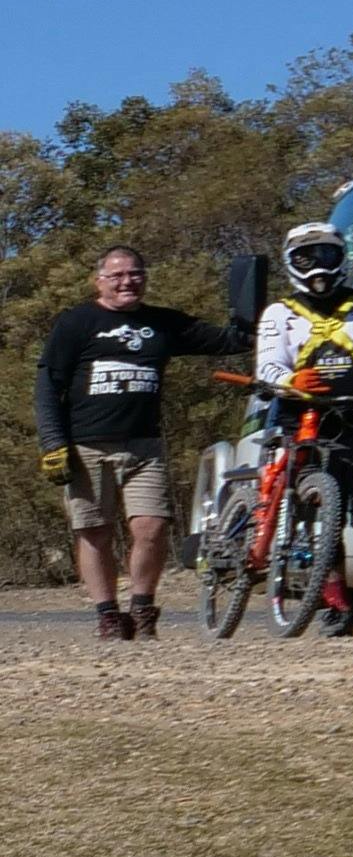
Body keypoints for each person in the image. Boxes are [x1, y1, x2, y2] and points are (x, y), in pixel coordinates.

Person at [34, 244, 253, 641]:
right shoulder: (76, 323)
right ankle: (108, 616)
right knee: (94, 531)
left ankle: (142, 608)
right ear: (98, 280)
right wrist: (53, 443)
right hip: (85, 446)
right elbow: (48, 385)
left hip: (144, 446)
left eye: (134, 274)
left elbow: (230, 340)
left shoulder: (162, 324)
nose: (126, 282)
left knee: (151, 528)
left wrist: (254, 311)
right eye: (116, 275)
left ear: (144, 278)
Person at [252, 224, 353, 637]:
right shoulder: (279, 313)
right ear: (291, 264)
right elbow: (267, 365)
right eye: (306, 259)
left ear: (341, 258)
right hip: (306, 427)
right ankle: (335, 607)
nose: (318, 268)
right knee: (315, 522)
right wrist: (291, 382)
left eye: (327, 256)